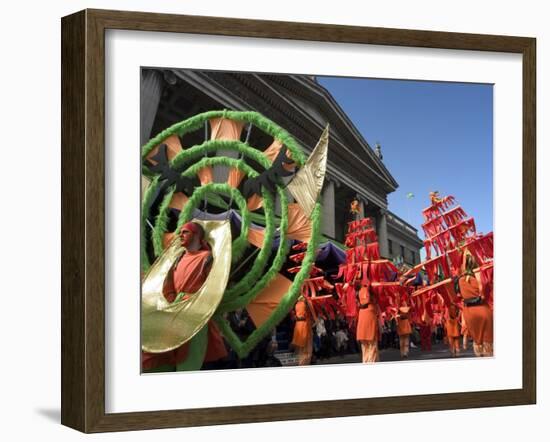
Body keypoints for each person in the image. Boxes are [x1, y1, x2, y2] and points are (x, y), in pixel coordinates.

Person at [142, 222, 228, 371]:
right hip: (174, 312)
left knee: (189, 360)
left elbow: (213, 287)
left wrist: (192, 303)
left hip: (195, 315)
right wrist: (171, 302)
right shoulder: (177, 259)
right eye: (180, 232)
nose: (180, 235)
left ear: (196, 236)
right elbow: (168, 284)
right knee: (162, 354)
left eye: (185, 232)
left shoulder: (206, 257)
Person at [456, 254, 493, 357]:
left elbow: (461, 296)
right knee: (488, 342)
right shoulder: (481, 277)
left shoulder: (460, 280)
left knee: (477, 341)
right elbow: (486, 295)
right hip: (483, 310)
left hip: (469, 313)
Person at [356, 285, 380, 363]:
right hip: (369, 317)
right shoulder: (371, 306)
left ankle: (366, 362)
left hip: (363, 318)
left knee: (365, 346)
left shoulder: (361, 308)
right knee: (372, 345)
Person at [290, 296, 314, 365]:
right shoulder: (305, 304)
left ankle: (302, 363)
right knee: (306, 349)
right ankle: (303, 363)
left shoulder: (296, 305)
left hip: (298, 326)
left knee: (300, 349)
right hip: (304, 326)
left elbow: (294, 316)